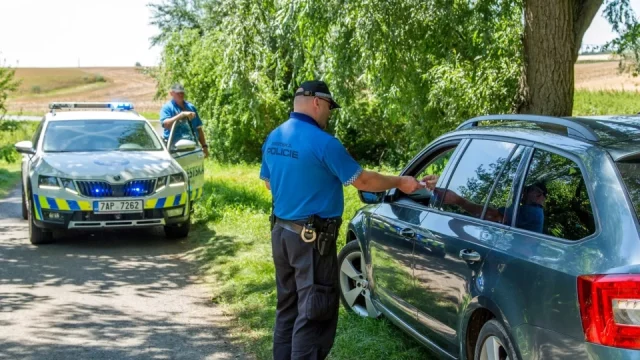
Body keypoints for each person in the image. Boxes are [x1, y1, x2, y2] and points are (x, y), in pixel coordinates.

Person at [260, 80, 423, 360]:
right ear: (317, 103)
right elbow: (362, 180)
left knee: (288, 307)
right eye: (329, 109)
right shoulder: (324, 142)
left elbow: (269, 184)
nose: (329, 115)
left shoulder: (275, 137)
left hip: (282, 234)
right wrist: (402, 182)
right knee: (314, 311)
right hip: (311, 241)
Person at [423, 174, 547, 233]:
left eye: (528, 190)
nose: (523, 193)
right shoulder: (535, 212)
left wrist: (458, 200)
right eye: (523, 189)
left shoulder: (532, 211)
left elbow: (494, 216)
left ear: (539, 195)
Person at [159, 83, 209, 157]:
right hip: (174, 150)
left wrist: (204, 146)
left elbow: (198, 128)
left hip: (193, 147)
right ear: (171, 93)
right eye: (178, 93)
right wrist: (181, 115)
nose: (181, 95)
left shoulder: (191, 107)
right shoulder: (167, 108)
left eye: (182, 92)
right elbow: (166, 124)